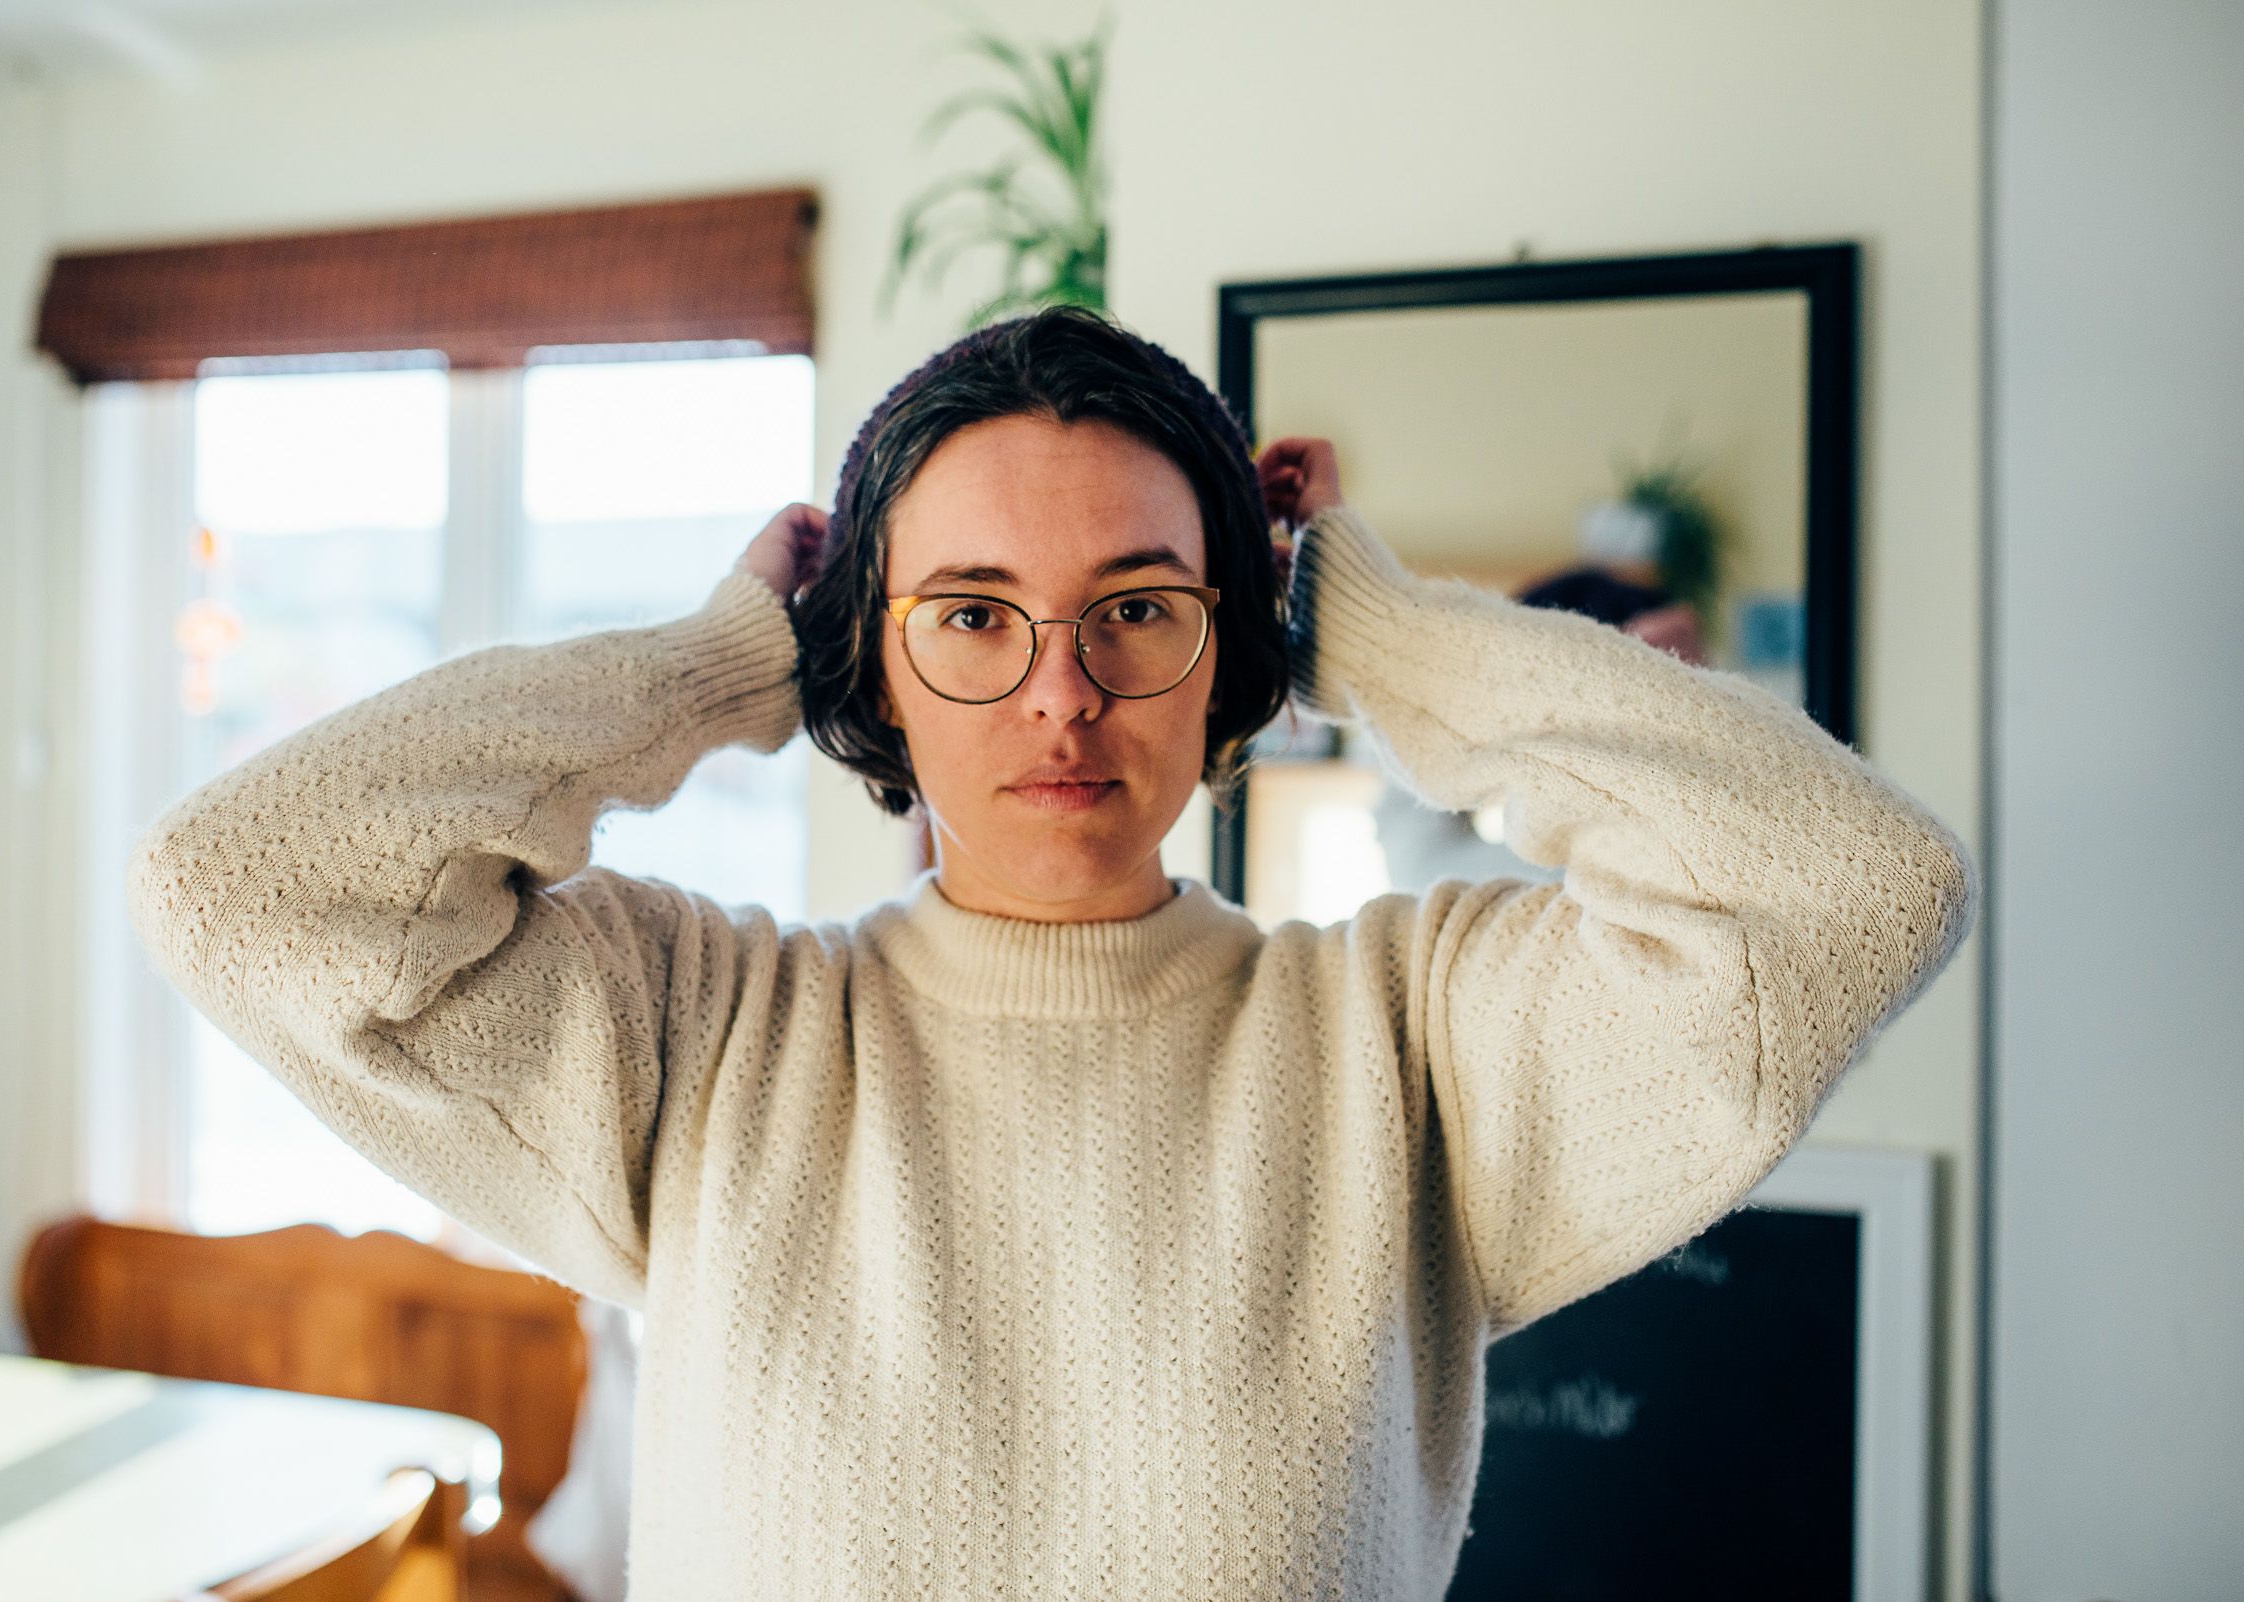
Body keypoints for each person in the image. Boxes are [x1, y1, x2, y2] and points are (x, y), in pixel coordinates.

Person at [126, 304, 1976, 1601]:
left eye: (1141, 610)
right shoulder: (707, 1040)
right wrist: (715, 664)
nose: (1063, 692)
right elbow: (243, 886)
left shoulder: (1410, 1052)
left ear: (1235, 650)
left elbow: (1853, 892)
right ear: (865, 662)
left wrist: (1374, 626)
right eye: (971, 616)